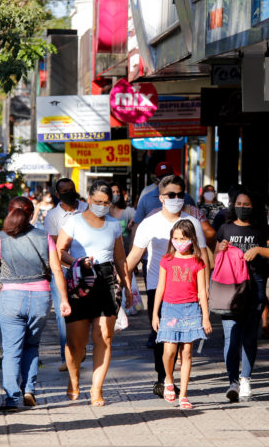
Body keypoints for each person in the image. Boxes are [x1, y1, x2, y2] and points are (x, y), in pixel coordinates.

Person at [0, 197, 71, 412]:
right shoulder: (44, 237)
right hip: (40, 299)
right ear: (31, 215)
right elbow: (57, 270)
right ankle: (29, 390)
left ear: (10, 213)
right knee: (31, 346)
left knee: (12, 351)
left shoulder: (1, 238)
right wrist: (64, 299)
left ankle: (11, 398)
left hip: (11, 299)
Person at [126, 175, 210, 398]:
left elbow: (202, 255)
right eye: (171, 195)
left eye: (180, 195)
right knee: (161, 336)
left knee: (186, 341)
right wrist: (120, 281)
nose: (176, 199)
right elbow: (134, 256)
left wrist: (206, 289)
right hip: (158, 286)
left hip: (189, 290)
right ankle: (163, 378)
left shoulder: (191, 223)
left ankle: (178, 382)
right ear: (161, 197)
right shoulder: (149, 223)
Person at [56, 180, 132, 406]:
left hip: (106, 280)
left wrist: (127, 286)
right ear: (88, 199)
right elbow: (60, 251)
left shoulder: (114, 224)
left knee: (104, 338)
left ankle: (96, 389)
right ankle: (74, 379)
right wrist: (77, 261)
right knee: (76, 343)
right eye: (97, 202)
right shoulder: (74, 222)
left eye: (106, 202)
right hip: (80, 280)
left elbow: (120, 257)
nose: (102, 206)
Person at [215, 187, 269, 401]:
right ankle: (232, 381)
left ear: (253, 207)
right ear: (233, 205)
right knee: (231, 336)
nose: (242, 208)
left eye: (246, 205)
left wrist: (259, 250)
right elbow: (214, 257)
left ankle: (245, 379)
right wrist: (222, 248)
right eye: (239, 204)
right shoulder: (225, 228)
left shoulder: (262, 229)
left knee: (248, 336)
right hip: (230, 286)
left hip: (254, 285)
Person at [151, 219, 211, 409]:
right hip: (169, 308)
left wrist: (206, 316)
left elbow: (202, 291)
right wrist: (155, 313)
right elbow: (160, 288)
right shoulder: (166, 260)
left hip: (191, 309)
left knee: (187, 352)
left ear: (191, 239)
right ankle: (169, 379)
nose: (179, 242)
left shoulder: (197, 262)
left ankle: (183, 394)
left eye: (183, 238)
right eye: (175, 238)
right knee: (168, 351)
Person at [44, 178, 88, 372]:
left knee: (85, 312)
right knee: (64, 313)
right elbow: (55, 246)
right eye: (64, 191)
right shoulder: (53, 216)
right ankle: (67, 355)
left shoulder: (87, 209)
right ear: (58, 194)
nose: (69, 193)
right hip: (62, 269)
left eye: (71, 189)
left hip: (87, 268)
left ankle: (81, 349)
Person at [109, 182, 136, 253]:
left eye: (117, 192)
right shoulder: (104, 212)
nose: (116, 194)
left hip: (125, 252)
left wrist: (133, 221)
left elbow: (138, 218)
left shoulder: (127, 210)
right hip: (109, 253)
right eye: (113, 192)